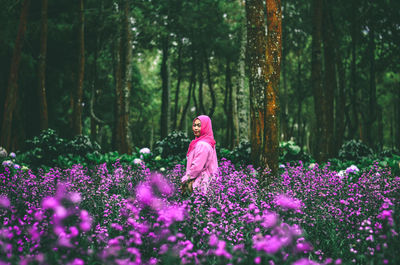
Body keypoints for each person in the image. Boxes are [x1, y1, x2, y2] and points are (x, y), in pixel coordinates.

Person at [181, 115, 218, 194]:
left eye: (199, 126)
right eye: (194, 125)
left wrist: (185, 179)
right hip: (207, 183)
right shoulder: (208, 142)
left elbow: (197, 167)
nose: (196, 128)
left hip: (200, 184)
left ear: (205, 127)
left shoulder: (202, 145)